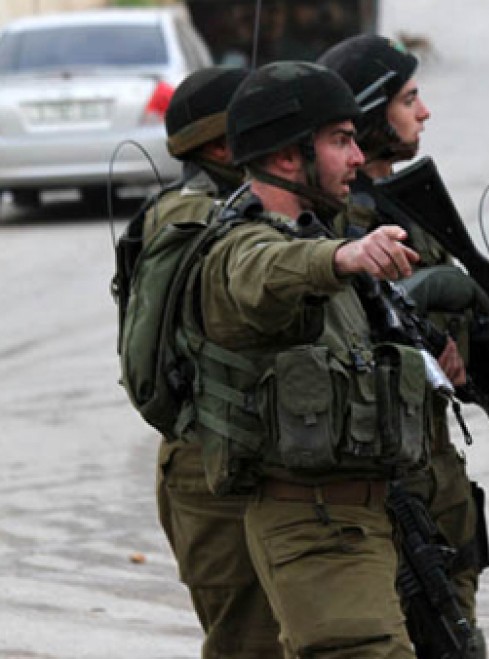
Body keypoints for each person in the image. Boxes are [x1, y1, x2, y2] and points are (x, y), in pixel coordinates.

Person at [186, 60, 435, 658]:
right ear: (284, 156)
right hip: (313, 524)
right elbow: (262, 273)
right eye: (340, 141)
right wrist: (341, 258)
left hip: (364, 516)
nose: (358, 157)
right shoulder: (241, 247)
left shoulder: (313, 232)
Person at [317, 34, 489, 653]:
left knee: (457, 618)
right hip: (387, 464)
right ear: (371, 115)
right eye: (408, 100)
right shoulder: (342, 227)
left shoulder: (406, 204)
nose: (424, 113)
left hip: (435, 453)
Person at [144, 65, 283, 659]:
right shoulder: (192, 219)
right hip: (211, 465)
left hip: (248, 453)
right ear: (223, 147)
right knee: (249, 642)